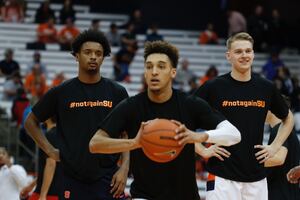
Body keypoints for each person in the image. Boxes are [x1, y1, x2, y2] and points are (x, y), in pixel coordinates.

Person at [89, 40, 241, 200]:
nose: (154, 72)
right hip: (144, 195)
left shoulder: (190, 104)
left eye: (161, 66)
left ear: (173, 72)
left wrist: (198, 136)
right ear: (145, 72)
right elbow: (94, 144)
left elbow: (234, 134)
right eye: (149, 66)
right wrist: (135, 143)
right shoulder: (131, 106)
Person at [24, 30, 130, 200]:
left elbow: (126, 134)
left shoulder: (117, 92)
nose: (93, 57)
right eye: (88, 52)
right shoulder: (61, 92)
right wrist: (50, 150)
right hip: (71, 178)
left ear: (104, 57)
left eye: (98, 53)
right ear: (77, 56)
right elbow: (31, 121)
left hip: (108, 178)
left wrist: (124, 168)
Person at [194, 32, 294, 200]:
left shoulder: (265, 87)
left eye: (248, 51)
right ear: (228, 56)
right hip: (222, 176)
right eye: (238, 51)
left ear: (253, 54)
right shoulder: (213, 87)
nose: (244, 55)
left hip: (257, 178)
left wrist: (275, 146)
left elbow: (288, 118)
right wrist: (202, 150)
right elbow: (186, 119)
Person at [21, 116, 62, 200]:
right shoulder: (60, 134)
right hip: (56, 191)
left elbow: (51, 164)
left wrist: (43, 195)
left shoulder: (51, 135)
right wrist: (31, 186)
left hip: (49, 193)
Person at [264, 109, 300, 200]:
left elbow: (279, 159)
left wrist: (247, 161)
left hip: (280, 193)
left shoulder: (279, 131)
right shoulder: (288, 131)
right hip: (290, 192)